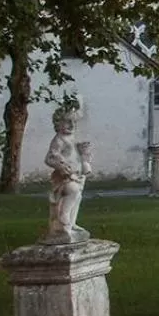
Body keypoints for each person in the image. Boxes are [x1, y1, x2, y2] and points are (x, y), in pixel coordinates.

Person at [42, 105, 93, 244]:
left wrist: (84, 154)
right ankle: (63, 218)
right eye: (67, 122)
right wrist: (61, 166)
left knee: (78, 196)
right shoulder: (59, 139)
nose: (71, 125)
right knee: (73, 191)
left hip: (76, 175)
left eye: (73, 122)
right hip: (65, 177)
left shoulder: (72, 138)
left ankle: (71, 223)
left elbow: (75, 154)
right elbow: (49, 158)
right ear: (58, 124)